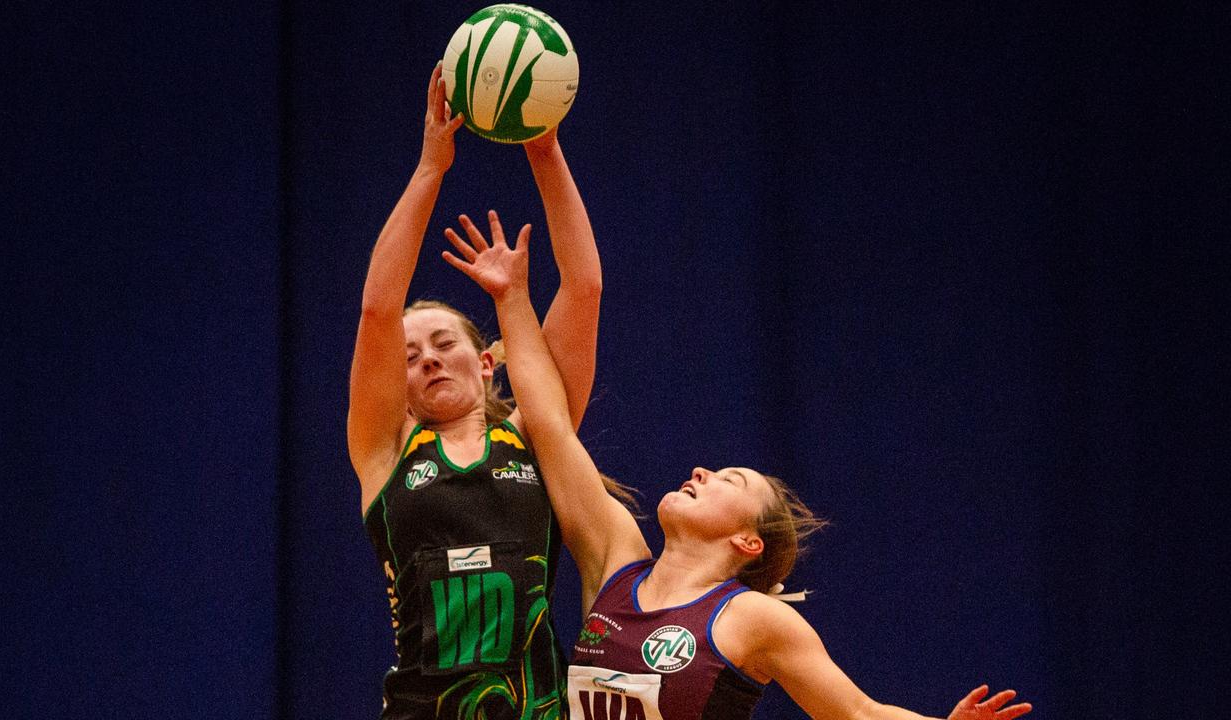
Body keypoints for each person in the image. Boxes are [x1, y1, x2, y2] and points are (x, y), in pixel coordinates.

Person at [440, 214, 1035, 720]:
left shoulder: (753, 618)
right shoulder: (614, 562)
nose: (701, 471)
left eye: (729, 479)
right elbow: (547, 422)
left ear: (748, 540)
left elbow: (860, 713)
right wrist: (512, 298)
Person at [348, 63, 606, 720]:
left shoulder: (534, 434)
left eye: (443, 344)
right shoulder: (384, 450)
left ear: (488, 362)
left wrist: (543, 149)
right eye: (410, 358)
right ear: (395, 388)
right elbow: (378, 310)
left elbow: (583, 290)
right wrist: (431, 167)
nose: (428, 360)